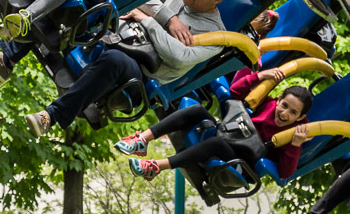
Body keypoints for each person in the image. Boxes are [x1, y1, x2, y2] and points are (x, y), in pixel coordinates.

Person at [14, 0, 238, 131]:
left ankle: (51, 116)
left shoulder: (216, 35)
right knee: (78, 7)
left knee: (115, 59)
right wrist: (169, 19)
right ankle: (8, 55)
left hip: (141, 71)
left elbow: (179, 56)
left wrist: (148, 20)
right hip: (122, 32)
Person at [121, 67, 312, 181]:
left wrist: (295, 145)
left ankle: (156, 166)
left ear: (299, 117)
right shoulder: (268, 103)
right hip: (228, 133)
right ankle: (142, 140)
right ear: (278, 100)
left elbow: (285, 173)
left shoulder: (294, 135)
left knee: (218, 144)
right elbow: (235, 92)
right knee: (197, 110)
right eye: (284, 105)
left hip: (241, 164)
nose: (284, 113)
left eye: (293, 112)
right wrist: (259, 77)